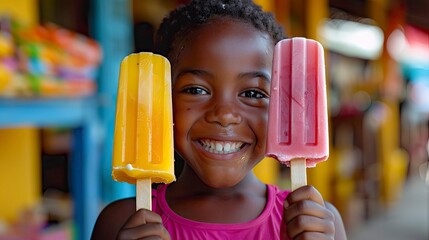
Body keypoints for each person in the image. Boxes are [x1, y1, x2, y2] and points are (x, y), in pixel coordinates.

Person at [91, 0, 347, 239]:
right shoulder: (120, 223)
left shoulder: (319, 224)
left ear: (281, 108)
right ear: (161, 99)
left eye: (252, 93)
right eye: (196, 90)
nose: (224, 115)